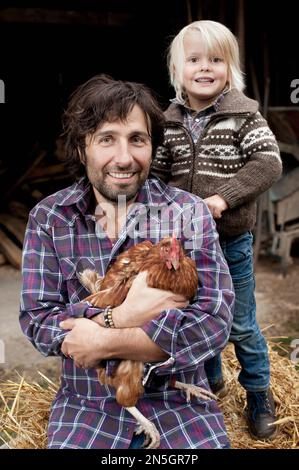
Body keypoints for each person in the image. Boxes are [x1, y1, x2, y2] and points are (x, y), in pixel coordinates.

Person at [20, 75, 234, 449]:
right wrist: (127, 319)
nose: (124, 158)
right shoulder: (50, 219)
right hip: (88, 407)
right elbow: (38, 320)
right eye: (107, 139)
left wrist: (102, 339)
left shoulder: (188, 213)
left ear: (152, 146)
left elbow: (214, 321)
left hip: (178, 403)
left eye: (137, 139)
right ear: (82, 148)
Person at [150, 20, 282, 440]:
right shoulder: (168, 122)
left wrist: (223, 197)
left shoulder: (243, 116)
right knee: (196, 314)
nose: (205, 68)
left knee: (240, 323)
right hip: (184, 246)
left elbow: (268, 163)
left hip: (231, 242)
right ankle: (210, 382)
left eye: (215, 59)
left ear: (230, 67)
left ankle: (260, 394)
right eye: (194, 60)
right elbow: (157, 173)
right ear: (177, 70)